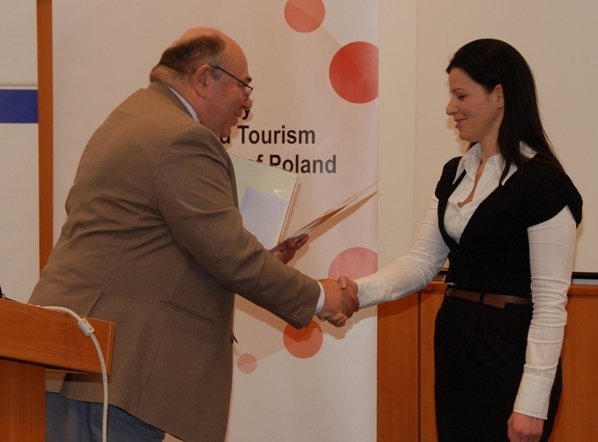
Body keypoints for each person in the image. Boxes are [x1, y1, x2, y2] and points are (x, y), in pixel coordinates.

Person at [29, 27, 358, 442]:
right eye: (244, 86)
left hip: (79, 356)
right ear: (203, 78)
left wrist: (262, 260)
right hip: (114, 367)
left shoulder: (131, 117)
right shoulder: (183, 138)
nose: (248, 102)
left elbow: (157, 242)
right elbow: (230, 258)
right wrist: (320, 297)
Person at [336, 39, 582, 442]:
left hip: (509, 353)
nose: (450, 108)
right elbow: (421, 262)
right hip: (456, 342)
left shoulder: (543, 183)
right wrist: (354, 292)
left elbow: (551, 304)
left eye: (461, 95)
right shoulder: (456, 172)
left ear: (499, 96)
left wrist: (532, 404)